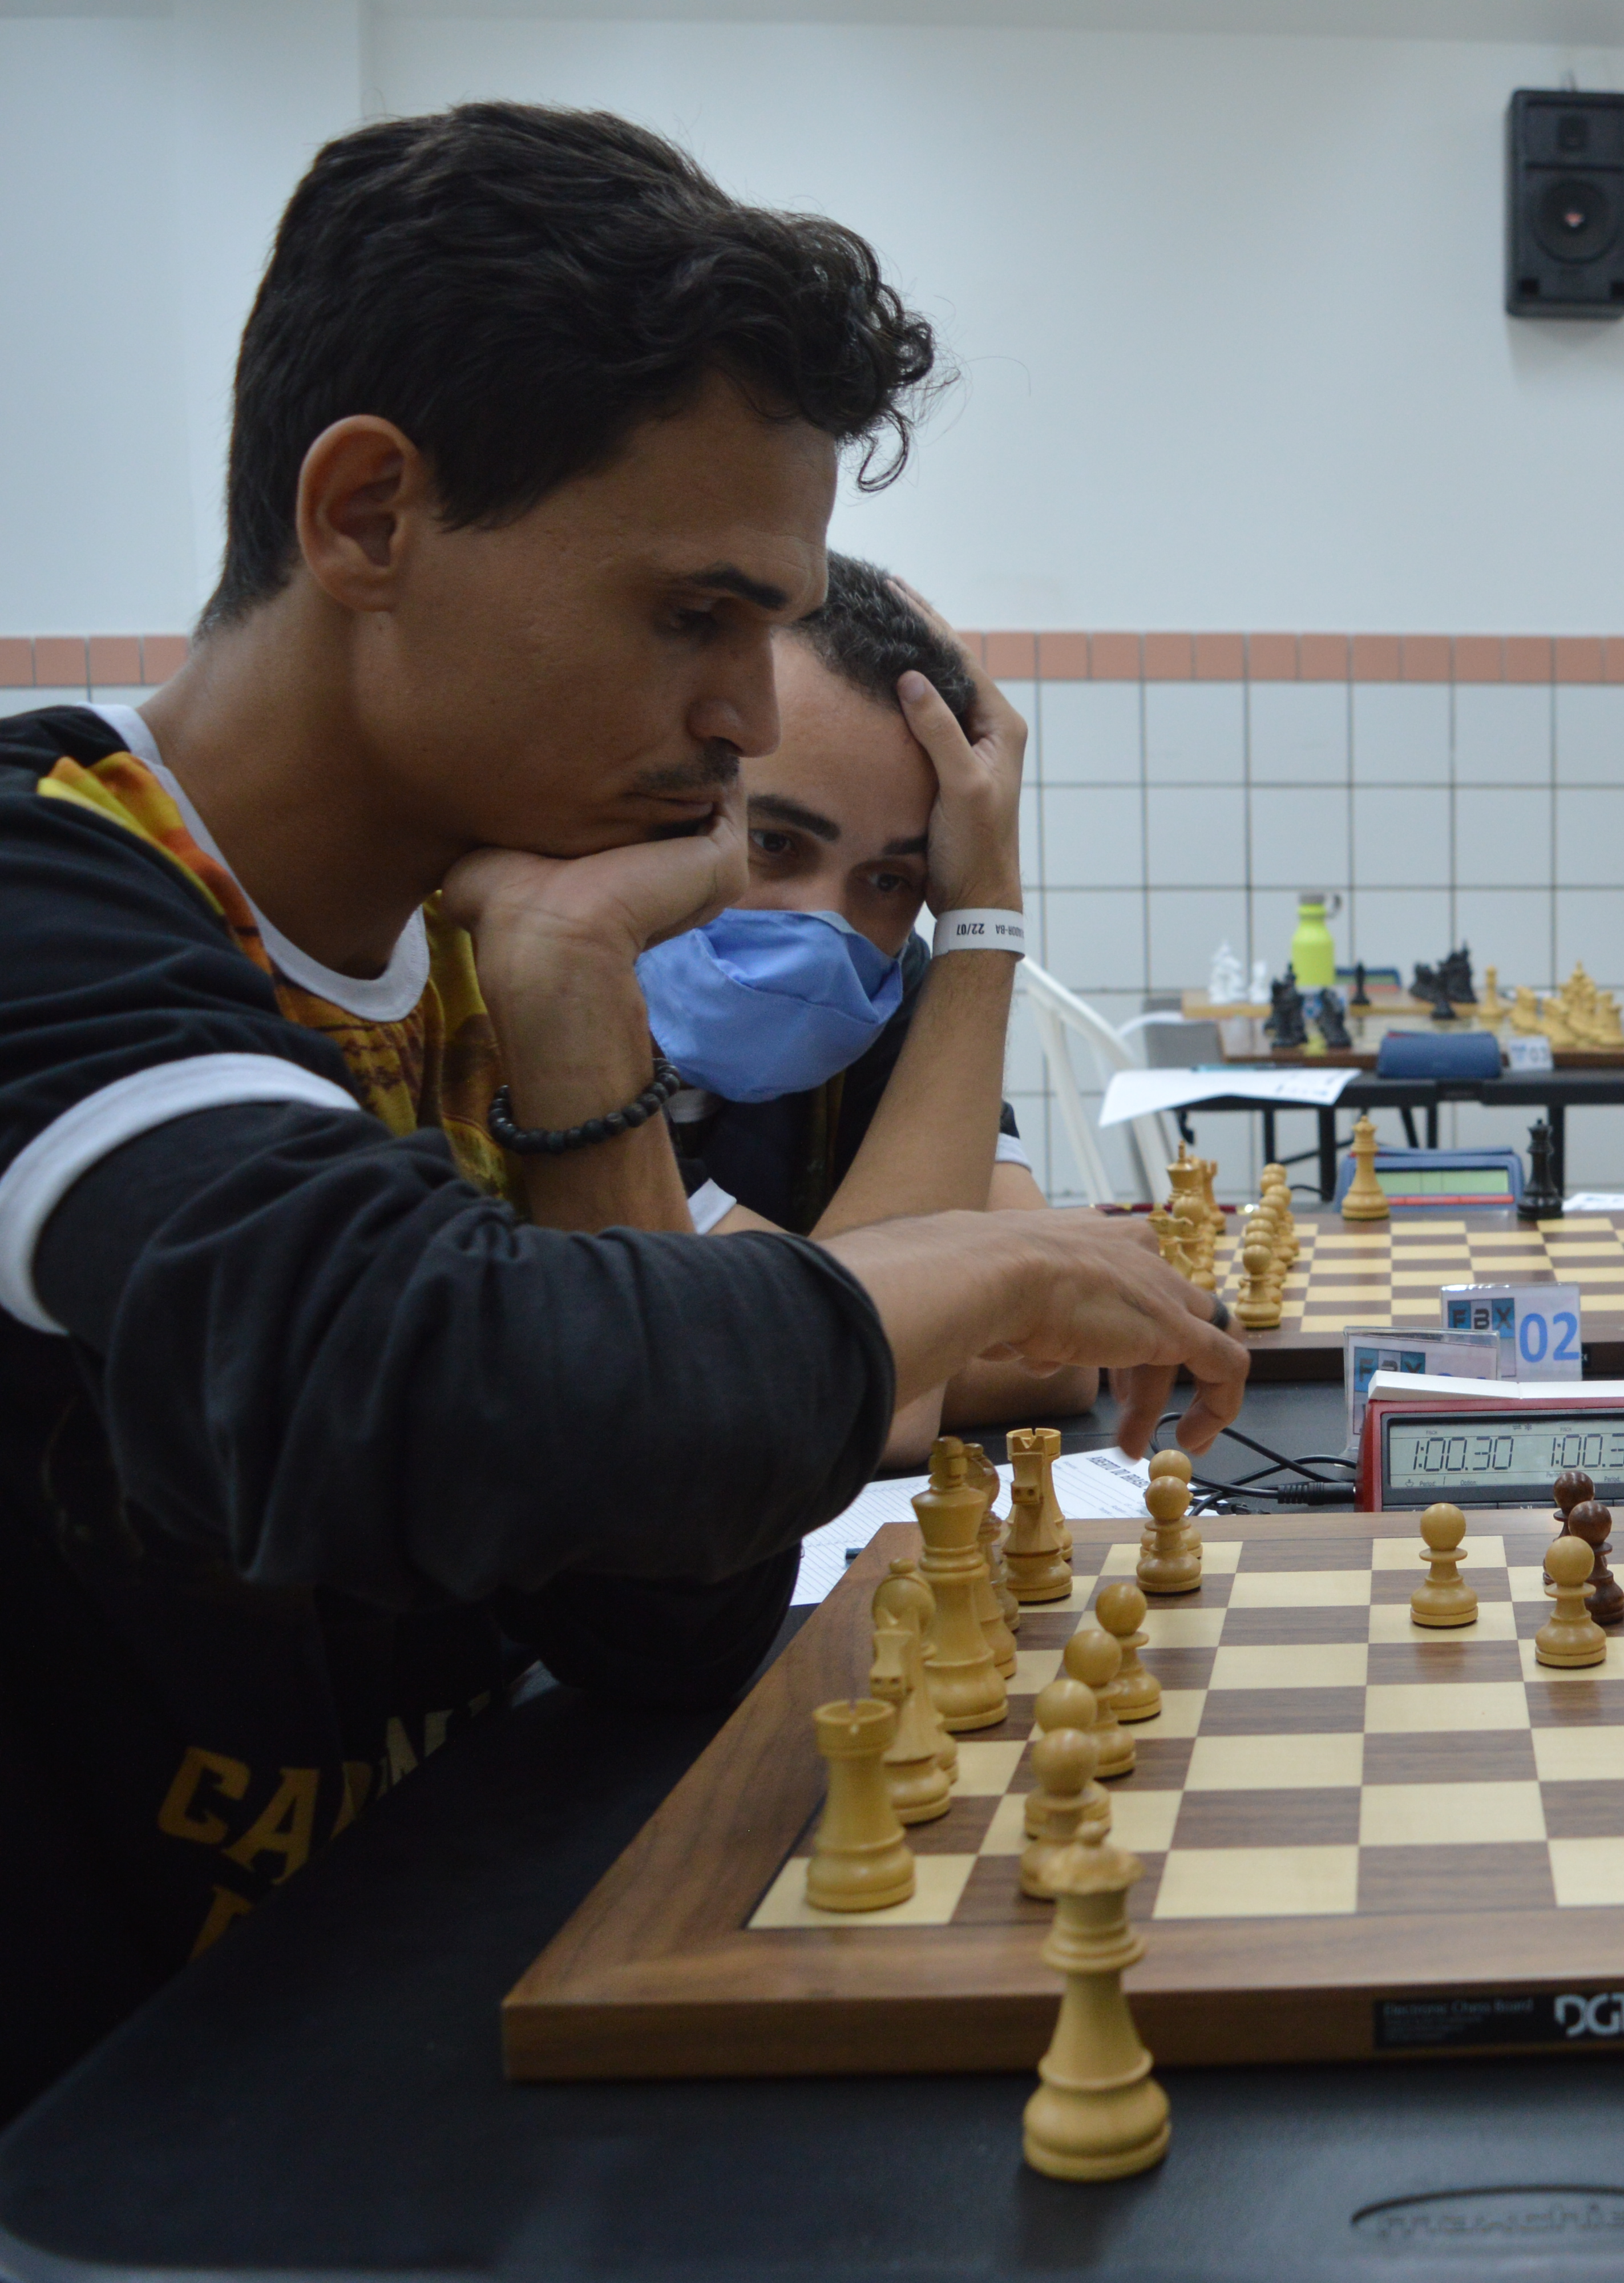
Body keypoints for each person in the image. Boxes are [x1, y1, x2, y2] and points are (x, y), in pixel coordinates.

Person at [0, 104, 1244, 2122]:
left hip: (401, 2046)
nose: (749, 714)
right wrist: (957, 1266)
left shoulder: (492, 930)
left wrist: (577, 1028)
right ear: (370, 518)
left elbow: (661, 1617)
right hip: (107, 2148)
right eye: (695, 617)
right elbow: (395, 1378)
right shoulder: (53, 900)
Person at [651, 550, 1098, 1460]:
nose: (825, 928)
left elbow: (1062, 1365)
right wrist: (912, 1337)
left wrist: (982, 917)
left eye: (890, 879)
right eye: (774, 842)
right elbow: (871, 1407)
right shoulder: (543, 1010)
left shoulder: (886, 998)